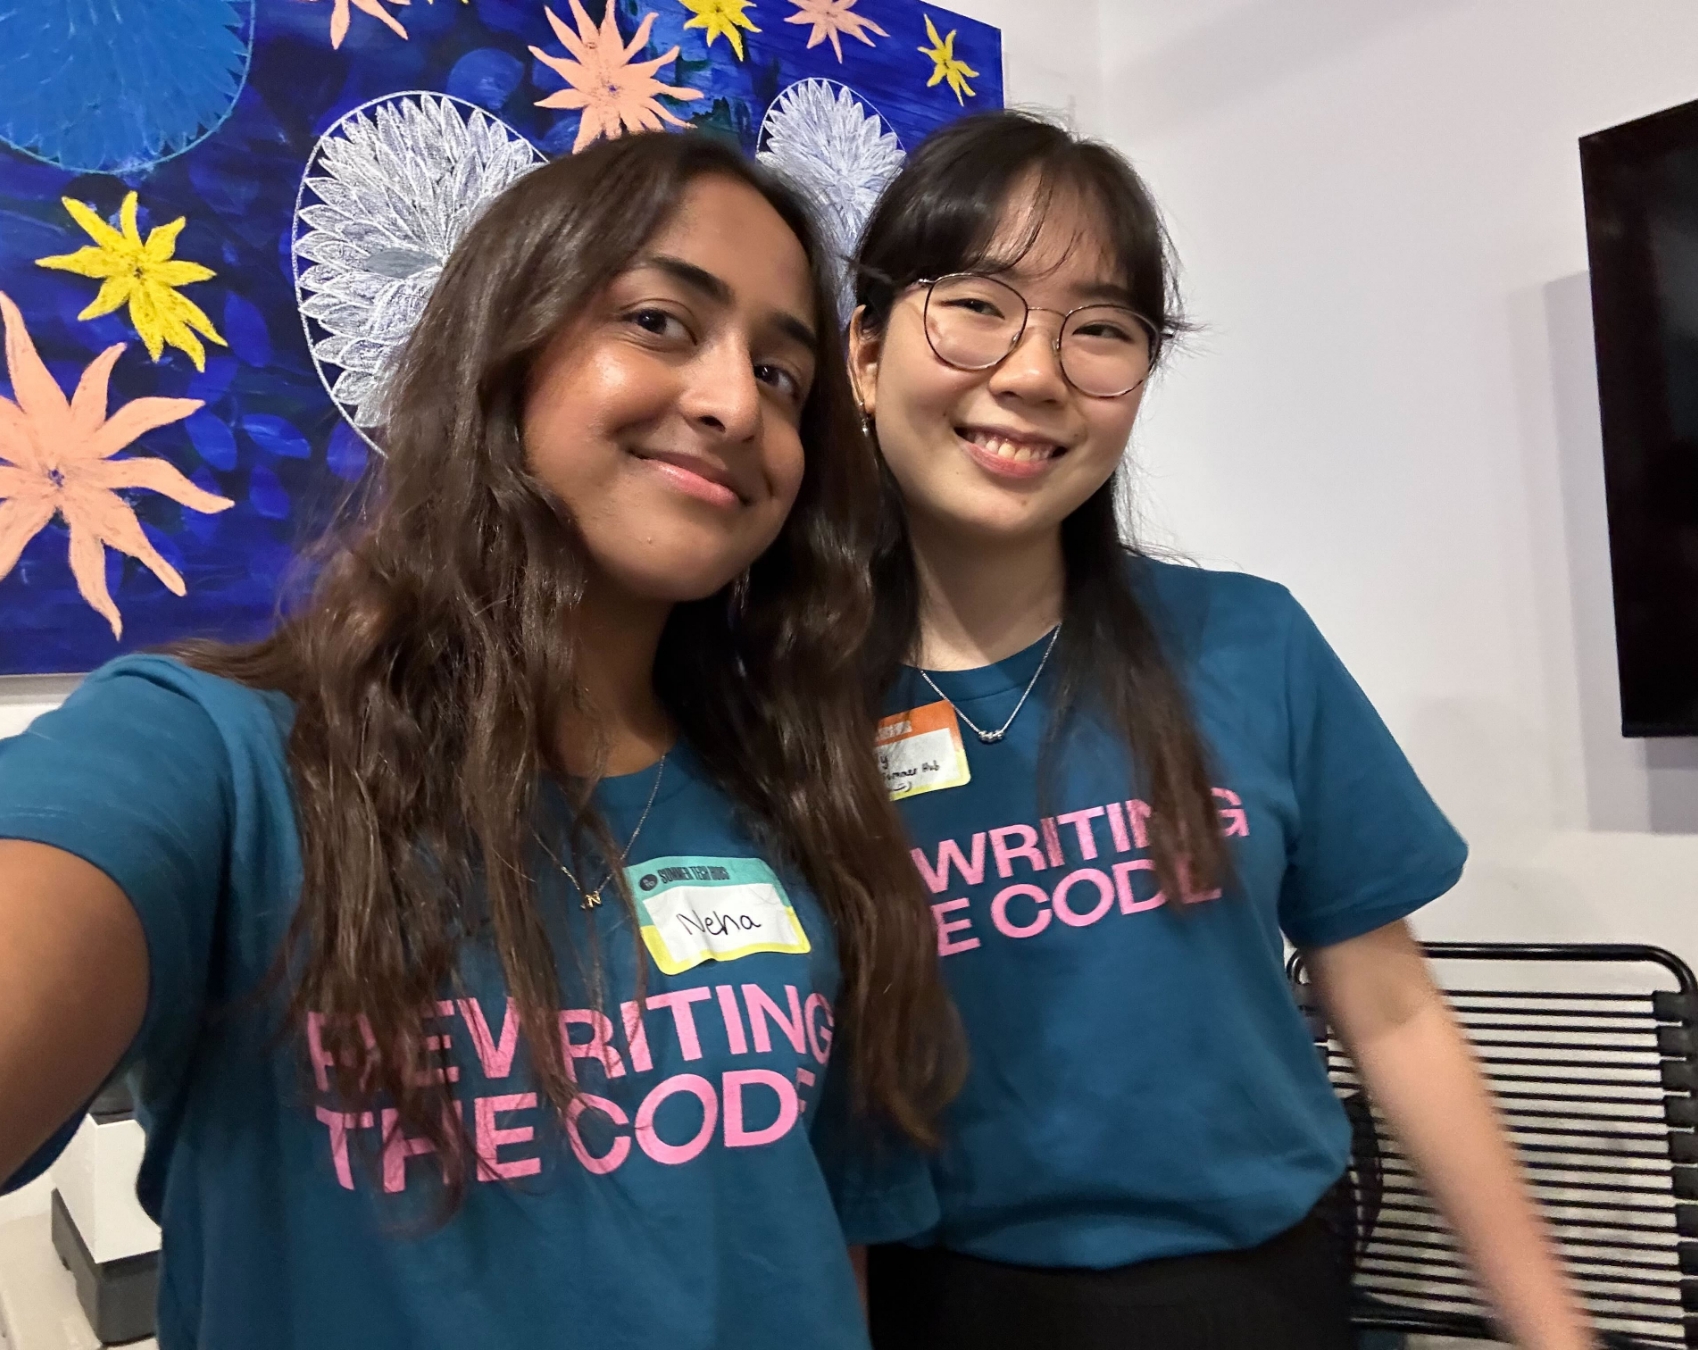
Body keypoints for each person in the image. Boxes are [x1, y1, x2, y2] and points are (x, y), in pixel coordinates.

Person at [0, 131, 957, 1349]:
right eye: (660, 322)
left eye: (781, 375)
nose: (733, 402)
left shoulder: (802, 792)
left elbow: (827, 1245)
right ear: (504, 349)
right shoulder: (220, 761)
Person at [845, 109, 1593, 1350]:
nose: (1034, 373)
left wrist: (1554, 1330)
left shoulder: (1250, 643)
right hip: (948, 1301)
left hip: (1261, 1293)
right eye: (976, 305)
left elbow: (1392, 1005)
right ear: (867, 354)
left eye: (1100, 329)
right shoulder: (779, 701)